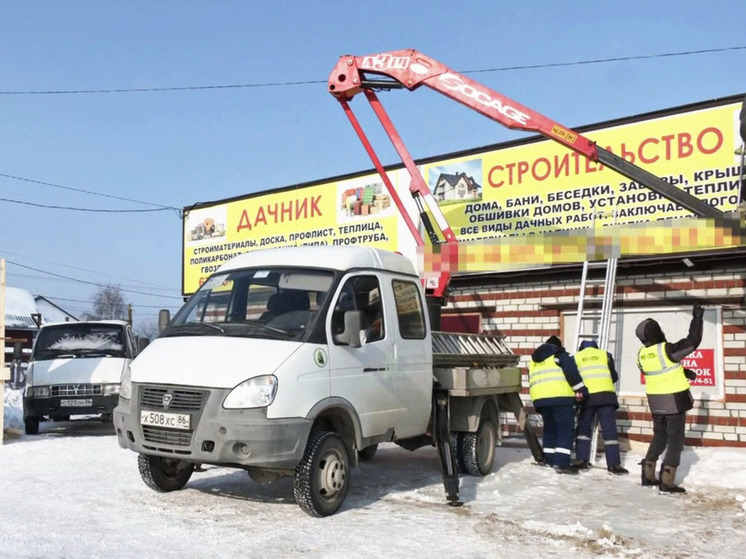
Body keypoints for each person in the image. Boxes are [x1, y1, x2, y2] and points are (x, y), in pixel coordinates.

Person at [635, 305, 704, 493]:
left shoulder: (641, 355)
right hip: (673, 402)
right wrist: (697, 317)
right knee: (675, 441)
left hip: (656, 403)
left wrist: (684, 372)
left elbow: (660, 371)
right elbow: (692, 342)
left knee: (659, 437)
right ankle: (667, 481)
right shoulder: (666, 349)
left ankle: (647, 476)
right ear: (657, 332)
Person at [528, 335, 588, 474]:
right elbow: (572, 373)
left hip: (541, 400)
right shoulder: (559, 355)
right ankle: (561, 463)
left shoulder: (534, 361)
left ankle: (549, 459)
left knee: (550, 429)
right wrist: (581, 390)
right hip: (560, 398)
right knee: (565, 429)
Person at [573, 340, 629, 475]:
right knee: (609, 430)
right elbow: (614, 377)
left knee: (584, 428)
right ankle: (614, 464)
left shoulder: (576, 357)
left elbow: (573, 378)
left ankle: (581, 460)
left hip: (587, 398)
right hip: (606, 396)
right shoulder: (605, 355)